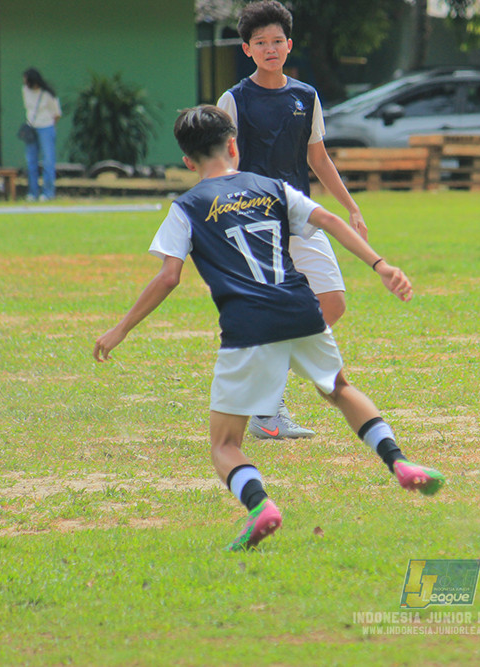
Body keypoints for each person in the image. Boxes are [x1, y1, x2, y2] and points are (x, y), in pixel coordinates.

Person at [93, 105, 444, 551]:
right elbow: (331, 221)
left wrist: (121, 329)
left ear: (188, 162)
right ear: (233, 146)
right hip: (300, 308)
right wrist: (381, 265)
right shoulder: (272, 188)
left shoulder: (186, 208)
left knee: (224, 445)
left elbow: (168, 277)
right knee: (339, 389)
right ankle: (400, 463)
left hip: (247, 325)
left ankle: (260, 507)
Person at [217, 0, 366, 441]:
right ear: (247, 49)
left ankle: (266, 384)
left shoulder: (306, 96)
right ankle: (267, 410)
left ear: (289, 45)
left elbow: (318, 158)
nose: (270, 48)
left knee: (332, 301)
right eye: (260, 42)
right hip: (254, 223)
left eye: (277, 41)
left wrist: (351, 207)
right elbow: (222, 164)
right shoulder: (234, 99)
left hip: (300, 217)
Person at [22, 68, 63, 201]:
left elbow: (56, 113)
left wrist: (50, 126)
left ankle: (48, 192)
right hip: (31, 127)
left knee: (48, 160)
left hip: (46, 127)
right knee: (31, 161)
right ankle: (32, 192)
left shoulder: (47, 93)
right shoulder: (25, 90)